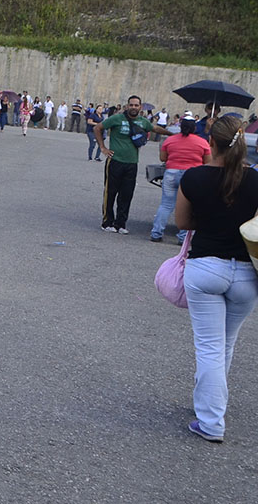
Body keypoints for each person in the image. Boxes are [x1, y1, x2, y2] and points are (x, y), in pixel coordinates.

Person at [174, 116, 258, 443]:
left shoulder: (194, 177)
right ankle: (210, 404)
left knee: (208, 347)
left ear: (212, 141)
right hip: (246, 274)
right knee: (225, 345)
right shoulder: (255, 180)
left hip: (206, 266)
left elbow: (181, 221)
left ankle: (211, 422)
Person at [95, 95, 171, 234]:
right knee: (110, 192)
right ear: (127, 106)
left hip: (132, 163)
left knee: (127, 194)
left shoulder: (143, 122)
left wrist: (172, 133)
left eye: (136, 105)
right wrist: (103, 148)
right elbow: (98, 128)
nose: (134, 107)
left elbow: (155, 129)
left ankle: (121, 224)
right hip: (115, 161)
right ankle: (107, 222)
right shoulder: (117, 118)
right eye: (131, 105)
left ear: (140, 107)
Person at [150, 111, 210, 243]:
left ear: (180, 127)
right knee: (190, 206)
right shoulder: (202, 142)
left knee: (166, 204)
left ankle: (156, 233)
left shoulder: (170, 140)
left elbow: (163, 158)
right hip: (192, 175)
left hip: (171, 173)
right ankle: (183, 238)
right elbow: (207, 161)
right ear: (194, 128)